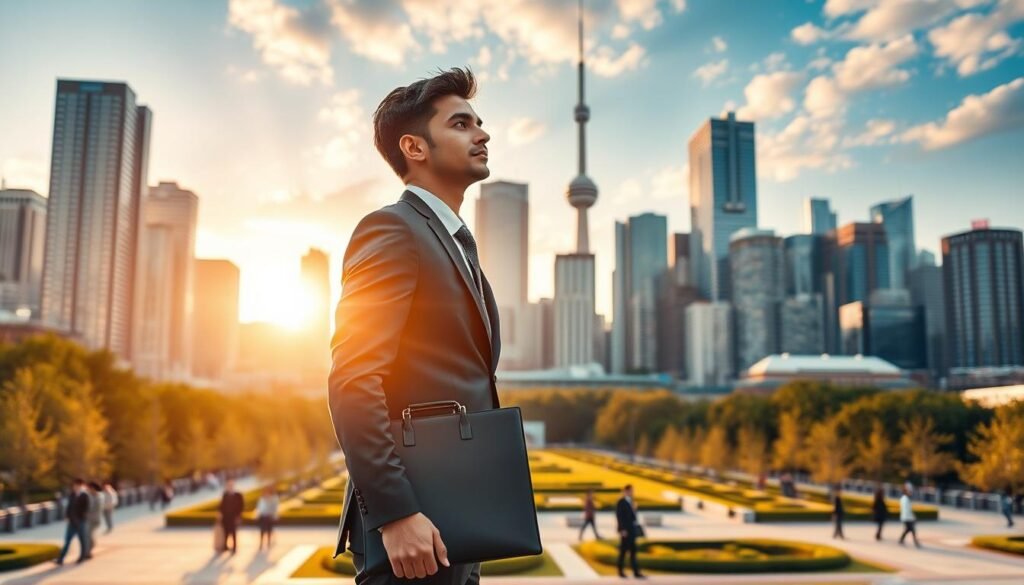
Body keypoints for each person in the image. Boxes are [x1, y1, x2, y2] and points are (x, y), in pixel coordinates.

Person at [327, 68, 500, 585]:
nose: (483, 134)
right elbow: (353, 380)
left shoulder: (452, 242)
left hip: (456, 522)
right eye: (462, 124)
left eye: (479, 123)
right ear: (414, 147)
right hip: (413, 529)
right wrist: (395, 513)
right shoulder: (393, 230)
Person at [55, 478, 91, 565]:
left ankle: (82, 557)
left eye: (76, 485)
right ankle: (61, 558)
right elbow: (69, 506)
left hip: (81, 521)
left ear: (80, 485)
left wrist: (82, 518)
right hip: (71, 522)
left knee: (82, 540)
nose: (74, 487)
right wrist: (67, 516)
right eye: (74, 485)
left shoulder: (85, 495)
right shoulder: (72, 495)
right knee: (67, 540)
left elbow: (86, 509)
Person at [615, 485, 645, 579]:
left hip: (631, 531)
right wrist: (622, 530)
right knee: (623, 552)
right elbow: (619, 517)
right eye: (631, 491)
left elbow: (633, 517)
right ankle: (620, 571)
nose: (633, 492)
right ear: (626, 491)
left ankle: (636, 572)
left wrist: (634, 509)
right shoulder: (621, 502)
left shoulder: (631, 501)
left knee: (633, 552)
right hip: (625, 531)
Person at [219, 479, 245, 554]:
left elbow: (241, 506)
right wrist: (220, 514)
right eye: (228, 485)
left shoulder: (238, 495)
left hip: (234, 517)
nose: (229, 486)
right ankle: (225, 546)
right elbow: (221, 506)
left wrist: (239, 516)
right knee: (226, 532)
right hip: (226, 517)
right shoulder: (225, 494)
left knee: (233, 533)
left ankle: (234, 547)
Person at [256, 486, 280, 551]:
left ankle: (268, 543)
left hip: (269, 517)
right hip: (263, 517)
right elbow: (259, 508)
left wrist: (274, 516)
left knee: (269, 530)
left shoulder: (272, 500)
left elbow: (274, 509)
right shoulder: (261, 500)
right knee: (262, 531)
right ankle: (261, 543)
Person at [85, 482, 103, 554]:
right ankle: (88, 551)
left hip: (94, 520)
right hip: (90, 519)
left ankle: (89, 551)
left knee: (89, 535)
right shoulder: (91, 496)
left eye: (89, 488)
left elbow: (92, 508)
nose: (88, 490)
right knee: (88, 535)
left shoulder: (98, 497)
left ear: (92, 488)